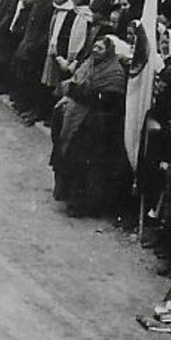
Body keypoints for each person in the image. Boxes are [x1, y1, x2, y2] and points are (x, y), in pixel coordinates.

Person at [50, 35, 129, 218]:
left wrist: (80, 92)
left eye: (100, 48)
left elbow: (107, 100)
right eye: (94, 46)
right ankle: (68, 197)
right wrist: (77, 92)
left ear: (108, 52)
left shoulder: (114, 73)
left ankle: (82, 206)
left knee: (85, 167)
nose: (95, 50)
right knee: (69, 158)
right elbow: (74, 85)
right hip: (77, 119)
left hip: (96, 125)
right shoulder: (88, 64)